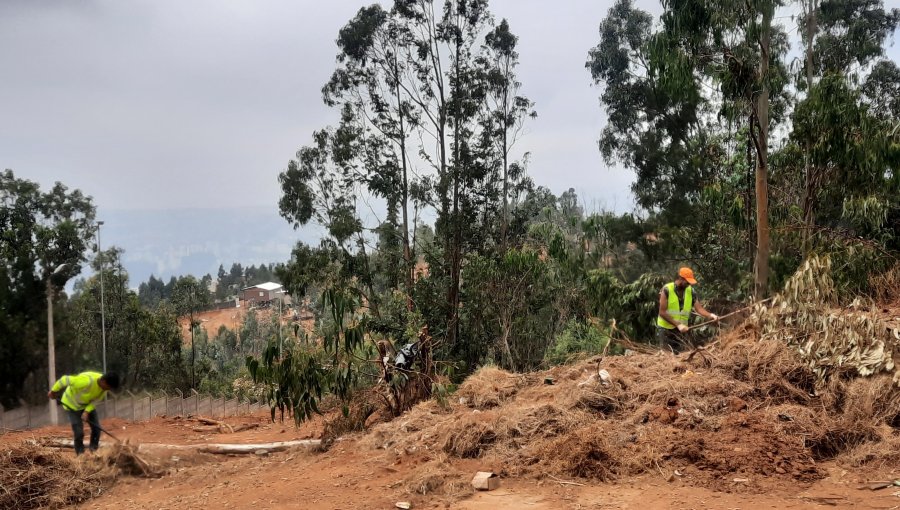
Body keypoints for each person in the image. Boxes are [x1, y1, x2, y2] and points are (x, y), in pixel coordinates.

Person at [47, 371, 120, 455]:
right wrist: (53, 391)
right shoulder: (85, 381)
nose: (108, 390)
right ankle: (80, 455)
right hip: (71, 405)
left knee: (96, 429)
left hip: (85, 405)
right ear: (104, 381)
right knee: (79, 432)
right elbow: (64, 380)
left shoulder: (103, 389)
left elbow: (95, 401)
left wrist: (86, 411)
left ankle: (93, 451)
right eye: (108, 387)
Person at [656, 267, 718, 353]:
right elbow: (662, 312)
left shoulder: (691, 291)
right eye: (687, 281)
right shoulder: (667, 289)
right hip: (666, 329)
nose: (689, 284)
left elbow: (699, 308)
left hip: (681, 330)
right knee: (667, 356)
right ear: (681, 278)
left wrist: (710, 315)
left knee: (681, 355)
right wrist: (678, 324)